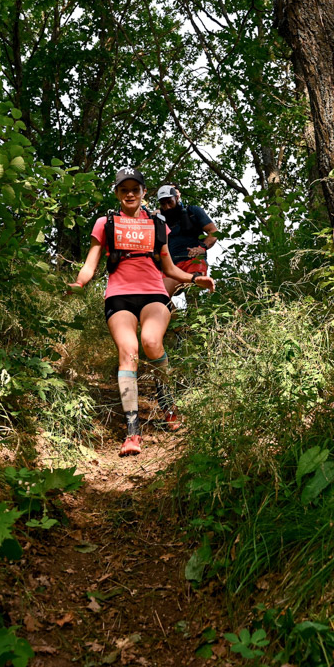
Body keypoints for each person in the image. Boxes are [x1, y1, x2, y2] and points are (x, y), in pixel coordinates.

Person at [69, 168, 215, 457]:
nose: (130, 194)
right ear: (117, 194)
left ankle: (168, 405)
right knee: (129, 351)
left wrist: (196, 279)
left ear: (144, 192)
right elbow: (90, 263)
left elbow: (170, 269)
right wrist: (78, 283)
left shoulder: (158, 224)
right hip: (119, 296)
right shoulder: (105, 223)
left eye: (135, 188)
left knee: (151, 342)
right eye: (124, 189)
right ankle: (133, 432)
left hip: (153, 293)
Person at [155, 184, 219, 297]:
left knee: (193, 292)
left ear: (177, 198)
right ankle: (175, 315)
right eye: (163, 204)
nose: (167, 207)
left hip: (193, 260)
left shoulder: (193, 211)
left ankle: (195, 313)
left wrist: (202, 248)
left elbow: (213, 232)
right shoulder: (159, 219)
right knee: (161, 295)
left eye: (169, 202)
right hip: (172, 267)